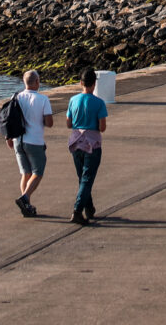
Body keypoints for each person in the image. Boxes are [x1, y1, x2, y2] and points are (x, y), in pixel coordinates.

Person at [8, 69, 53, 217]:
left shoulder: (16, 97)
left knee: (25, 173)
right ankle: (25, 198)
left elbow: (9, 119)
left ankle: (26, 205)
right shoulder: (43, 99)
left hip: (18, 141)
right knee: (37, 172)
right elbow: (49, 123)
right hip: (34, 141)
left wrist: (8, 138)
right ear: (36, 82)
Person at [65, 67, 108, 226]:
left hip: (76, 142)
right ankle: (77, 210)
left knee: (82, 178)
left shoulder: (73, 100)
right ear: (94, 84)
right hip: (92, 143)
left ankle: (89, 208)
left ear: (81, 82)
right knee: (87, 178)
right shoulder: (99, 102)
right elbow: (102, 127)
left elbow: (69, 123)